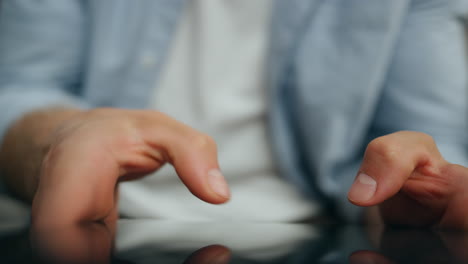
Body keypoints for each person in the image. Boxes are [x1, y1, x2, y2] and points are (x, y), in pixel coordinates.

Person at [0, 0, 467, 229]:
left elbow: (428, 139)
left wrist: (416, 186)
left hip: (319, 230)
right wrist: (58, 141)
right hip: (92, 222)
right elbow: (18, 86)